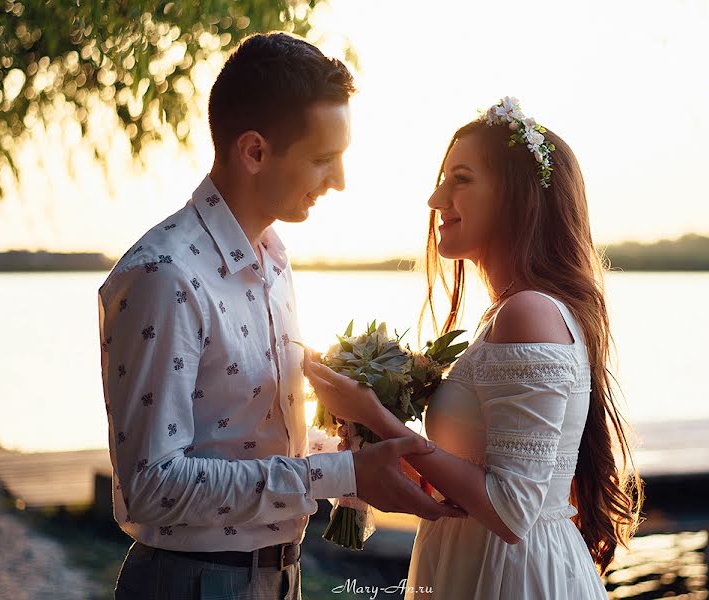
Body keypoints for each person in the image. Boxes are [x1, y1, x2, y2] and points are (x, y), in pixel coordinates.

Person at [97, 32, 465, 600]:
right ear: (254, 152)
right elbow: (152, 485)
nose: (339, 180)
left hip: (279, 578)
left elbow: (245, 436)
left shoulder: (272, 257)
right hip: (192, 584)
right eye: (323, 159)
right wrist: (340, 476)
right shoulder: (163, 276)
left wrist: (349, 456)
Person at [305, 97, 644, 599]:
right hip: (475, 560)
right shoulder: (510, 315)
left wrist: (377, 417)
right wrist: (401, 469)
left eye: (460, 179)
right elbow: (489, 474)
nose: (436, 199)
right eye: (442, 179)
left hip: (509, 576)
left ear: (518, 197)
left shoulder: (529, 312)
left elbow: (512, 509)